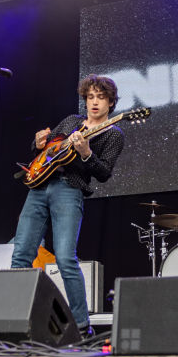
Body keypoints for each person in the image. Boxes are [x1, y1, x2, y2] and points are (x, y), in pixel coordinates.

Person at [10, 75, 125, 337]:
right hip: (39, 187)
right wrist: (38, 142)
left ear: (110, 102)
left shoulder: (113, 133)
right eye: (90, 97)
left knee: (65, 258)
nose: (94, 102)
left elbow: (104, 173)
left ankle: (82, 326)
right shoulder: (72, 120)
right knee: (21, 255)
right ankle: (18, 321)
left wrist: (86, 153)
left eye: (101, 97)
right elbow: (47, 149)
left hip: (68, 190)